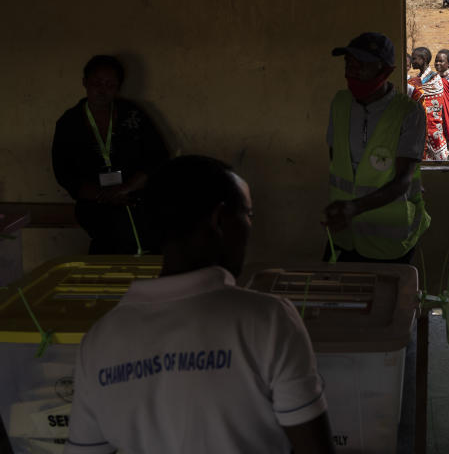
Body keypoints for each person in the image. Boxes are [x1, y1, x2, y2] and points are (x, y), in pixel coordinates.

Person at [64, 155, 335, 454]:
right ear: (219, 220)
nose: (249, 227)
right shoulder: (269, 319)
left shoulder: (99, 341)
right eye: (248, 215)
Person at [326, 32, 429, 262]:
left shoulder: (408, 113)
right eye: (348, 64)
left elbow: (403, 181)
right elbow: (338, 161)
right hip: (346, 235)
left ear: (384, 71)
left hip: (390, 240)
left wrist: (353, 208)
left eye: (360, 65)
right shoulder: (340, 104)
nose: (351, 71)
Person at [52, 55, 169, 255]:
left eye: (110, 84)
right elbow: (65, 173)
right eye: (96, 82)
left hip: (136, 200)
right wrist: (102, 195)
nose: (102, 90)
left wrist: (126, 189)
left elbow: (157, 158)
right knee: (111, 240)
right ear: (84, 83)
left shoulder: (133, 115)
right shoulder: (70, 123)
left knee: (148, 237)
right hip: (95, 206)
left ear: (118, 88)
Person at [407, 46, 449, 161]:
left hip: (432, 126)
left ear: (424, 59)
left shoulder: (433, 78)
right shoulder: (419, 79)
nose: (412, 61)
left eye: (415, 59)